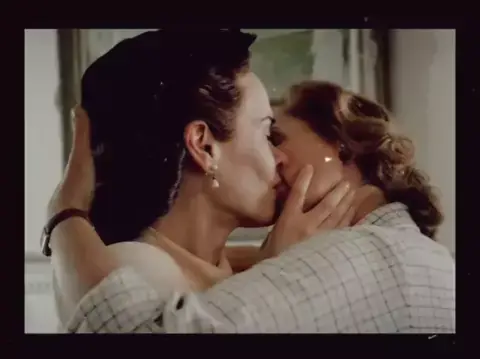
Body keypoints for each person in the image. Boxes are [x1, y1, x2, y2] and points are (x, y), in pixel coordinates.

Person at [47, 79, 455, 333]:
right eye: (265, 137)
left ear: (343, 147)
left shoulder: (360, 255)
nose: (273, 158)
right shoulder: (406, 251)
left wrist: (64, 214)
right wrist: (268, 263)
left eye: (276, 137)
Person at [49, 30, 356, 330]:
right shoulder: (140, 274)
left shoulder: (214, 268)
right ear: (204, 146)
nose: (280, 157)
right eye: (267, 134)